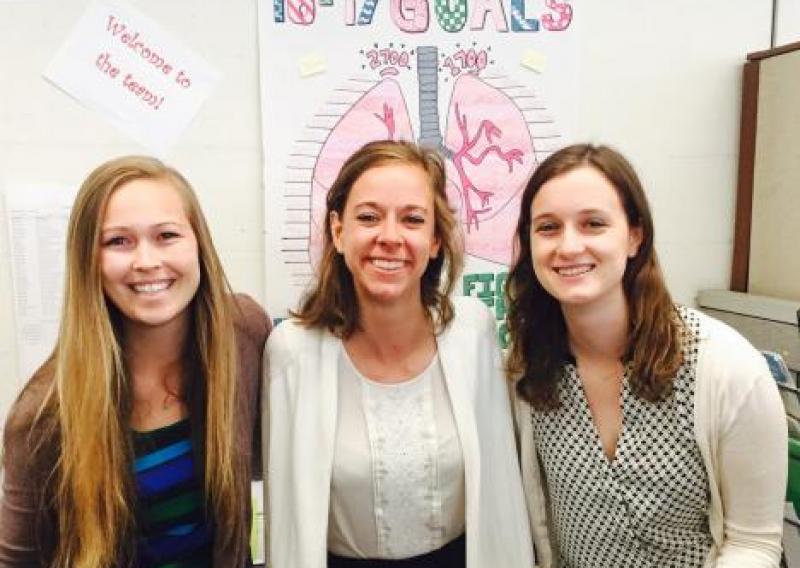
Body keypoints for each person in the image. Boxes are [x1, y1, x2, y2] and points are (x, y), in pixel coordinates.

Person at [505, 143, 787, 567]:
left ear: (635, 236)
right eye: (548, 227)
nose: (569, 246)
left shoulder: (725, 367)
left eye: (594, 224)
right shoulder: (525, 369)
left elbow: (754, 544)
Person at [263, 140, 534, 567]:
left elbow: (502, 496)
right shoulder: (292, 352)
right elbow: (286, 519)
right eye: (368, 217)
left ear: (435, 239)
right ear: (338, 231)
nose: (389, 237)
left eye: (412, 219)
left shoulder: (473, 334)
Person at [0, 156, 271, 567]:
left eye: (166, 235)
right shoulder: (42, 418)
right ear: (89, 261)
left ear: (199, 243)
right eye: (118, 242)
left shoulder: (244, 335)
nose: (146, 261)